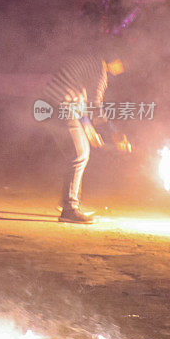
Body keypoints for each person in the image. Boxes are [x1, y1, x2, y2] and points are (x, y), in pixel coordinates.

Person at [44, 45, 127, 224]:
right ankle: (69, 209)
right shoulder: (99, 70)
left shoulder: (90, 62)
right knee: (80, 154)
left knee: (78, 152)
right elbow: (95, 106)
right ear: (114, 60)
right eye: (122, 63)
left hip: (50, 107)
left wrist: (89, 130)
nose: (122, 69)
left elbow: (80, 101)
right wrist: (115, 134)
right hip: (61, 107)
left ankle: (71, 203)